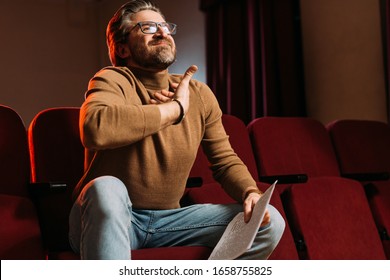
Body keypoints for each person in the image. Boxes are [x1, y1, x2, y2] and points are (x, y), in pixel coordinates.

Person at [69, 0, 285, 260]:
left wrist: (251, 192)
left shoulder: (199, 93)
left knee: (270, 223)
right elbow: (96, 129)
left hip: (168, 222)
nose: (162, 32)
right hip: (109, 216)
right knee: (105, 187)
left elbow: (225, 161)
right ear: (123, 48)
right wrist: (174, 110)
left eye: (165, 26)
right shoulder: (112, 79)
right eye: (147, 27)